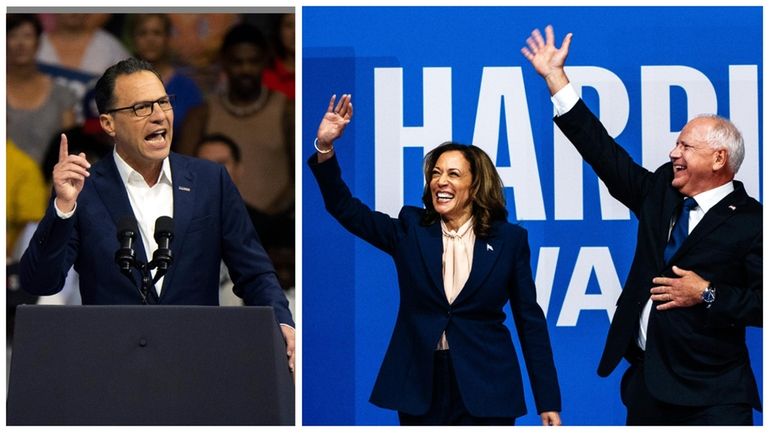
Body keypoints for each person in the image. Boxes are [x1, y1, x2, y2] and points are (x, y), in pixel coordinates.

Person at [521, 26, 761, 425]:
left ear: (719, 159)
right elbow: (604, 153)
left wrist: (707, 293)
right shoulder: (662, 193)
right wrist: (555, 80)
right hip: (647, 388)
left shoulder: (753, 222)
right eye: (676, 144)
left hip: (712, 397)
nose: (673, 152)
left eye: (686, 146)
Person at [18, 58, 295, 373]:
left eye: (163, 102)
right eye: (141, 108)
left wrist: (283, 321)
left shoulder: (210, 182)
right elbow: (40, 281)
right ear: (108, 123)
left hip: (198, 367)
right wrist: (62, 209)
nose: (159, 116)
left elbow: (254, 273)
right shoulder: (85, 191)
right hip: (111, 372)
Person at [308, 94, 561, 426]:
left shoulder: (509, 240)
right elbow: (346, 209)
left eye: (454, 174)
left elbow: (530, 321)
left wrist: (548, 401)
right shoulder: (412, 229)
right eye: (436, 173)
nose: (441, 181)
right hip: (421, 387)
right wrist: (325, 149)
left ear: (474, 185)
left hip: (486, 385)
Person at [178, 22, 294, 218]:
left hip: (276, 230)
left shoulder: (288, 111)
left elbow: (303, 176)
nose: (245, 69)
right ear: (223, 61)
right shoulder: (201, 115)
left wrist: (264, 220)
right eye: (237, 62)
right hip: (214, 227)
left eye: (253, 61)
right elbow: (182, 180)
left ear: (265, 60)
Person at [6, 13, 78, 165]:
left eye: (27, 35)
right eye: (12, 35)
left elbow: (71, 149)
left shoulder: (62, 94)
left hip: (52, 182)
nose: (20, 43)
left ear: (38, 42)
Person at [128, 13, 204, 133]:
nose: (150, 40)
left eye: (157, 33)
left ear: (168, 38)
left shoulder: (187, 87)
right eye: (143, 33)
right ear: (133, 39)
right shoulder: (121, 84)